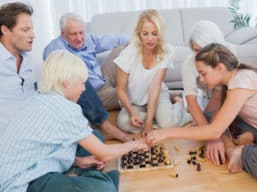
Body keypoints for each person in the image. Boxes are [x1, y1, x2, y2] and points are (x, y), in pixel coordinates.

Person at [146, 43, 257, 181]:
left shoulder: (242, 81)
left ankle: (242, 149)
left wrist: (166, 133)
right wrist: (220, 137)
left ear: (219, 68)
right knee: (208, 116)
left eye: (203, 73)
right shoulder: (227, 82)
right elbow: (210, 115)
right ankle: (249, 138)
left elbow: (214, 131)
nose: (201, 79)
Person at [0, 50, 148, 192]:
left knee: (94, 136)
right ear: (67, 83)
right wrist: (135, 144)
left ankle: (77, 174)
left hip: (31, 167)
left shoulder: (38, 98)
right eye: (82, 83)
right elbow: (105, 154)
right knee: (105, 188)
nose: (84, 89)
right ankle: (91, 179)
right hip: (23, 184)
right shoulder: (65, 109)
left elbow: (44, 148)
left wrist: (77, 161)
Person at [43, 12, 132, 142]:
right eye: (74, 34)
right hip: (91, 94)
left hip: (103, 79)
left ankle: (143, 88)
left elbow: (118, 39)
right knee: (131, 92)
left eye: (81, 32)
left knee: (121, 49)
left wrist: (131, 42)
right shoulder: (54, 50)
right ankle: (165, 94)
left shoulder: (88, 38)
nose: (79, 38)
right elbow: (58, 84)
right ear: (63, 34)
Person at [114, 9, 192, 137]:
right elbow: (120, 89)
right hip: (134, 101)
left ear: (160, 34)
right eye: (145, 34)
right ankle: (160, 118)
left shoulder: (167, 51)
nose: (150, 39)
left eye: (154, 34)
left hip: (157, 94)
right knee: (124, 123)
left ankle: (180, 106)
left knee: (167, 124)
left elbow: (154, 87)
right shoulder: (128, 54)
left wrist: (149, 123)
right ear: (139, 33)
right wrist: (132, 113)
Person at [182, 20, 235, 165]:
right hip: (202, 97)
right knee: (191, 109)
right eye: (195, 50)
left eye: (202, 50)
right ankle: (180, 101)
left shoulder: (229, 54)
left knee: (208, 124)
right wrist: (211, 137)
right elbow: (193, 105)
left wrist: (212, 133)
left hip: (223, 97)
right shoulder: (188, 64)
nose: (198, 56)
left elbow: (224, 95)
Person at [0, 2, 35, 132]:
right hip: (8, 138)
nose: (32, 35)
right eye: (25, 30)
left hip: (31, 128)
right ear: (5, 30)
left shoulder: (26, 58)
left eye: (31, 29)